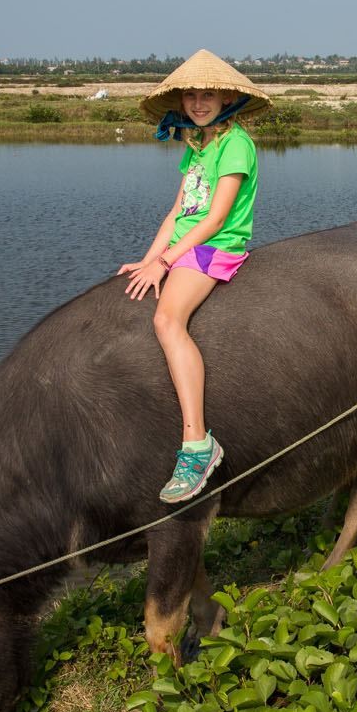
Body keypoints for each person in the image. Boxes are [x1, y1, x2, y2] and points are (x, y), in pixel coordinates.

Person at [122, 50, 271, 503]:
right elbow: (178, 212)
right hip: (186, 244)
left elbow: (213, 219)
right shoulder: (199, 146)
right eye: (191, 95)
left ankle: (197, 444)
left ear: (228, 97)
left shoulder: (236, 144)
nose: (198, 103)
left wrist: (166, 263)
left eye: (208, 94)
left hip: (213, 248)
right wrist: (148, 258)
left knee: (167, 321)